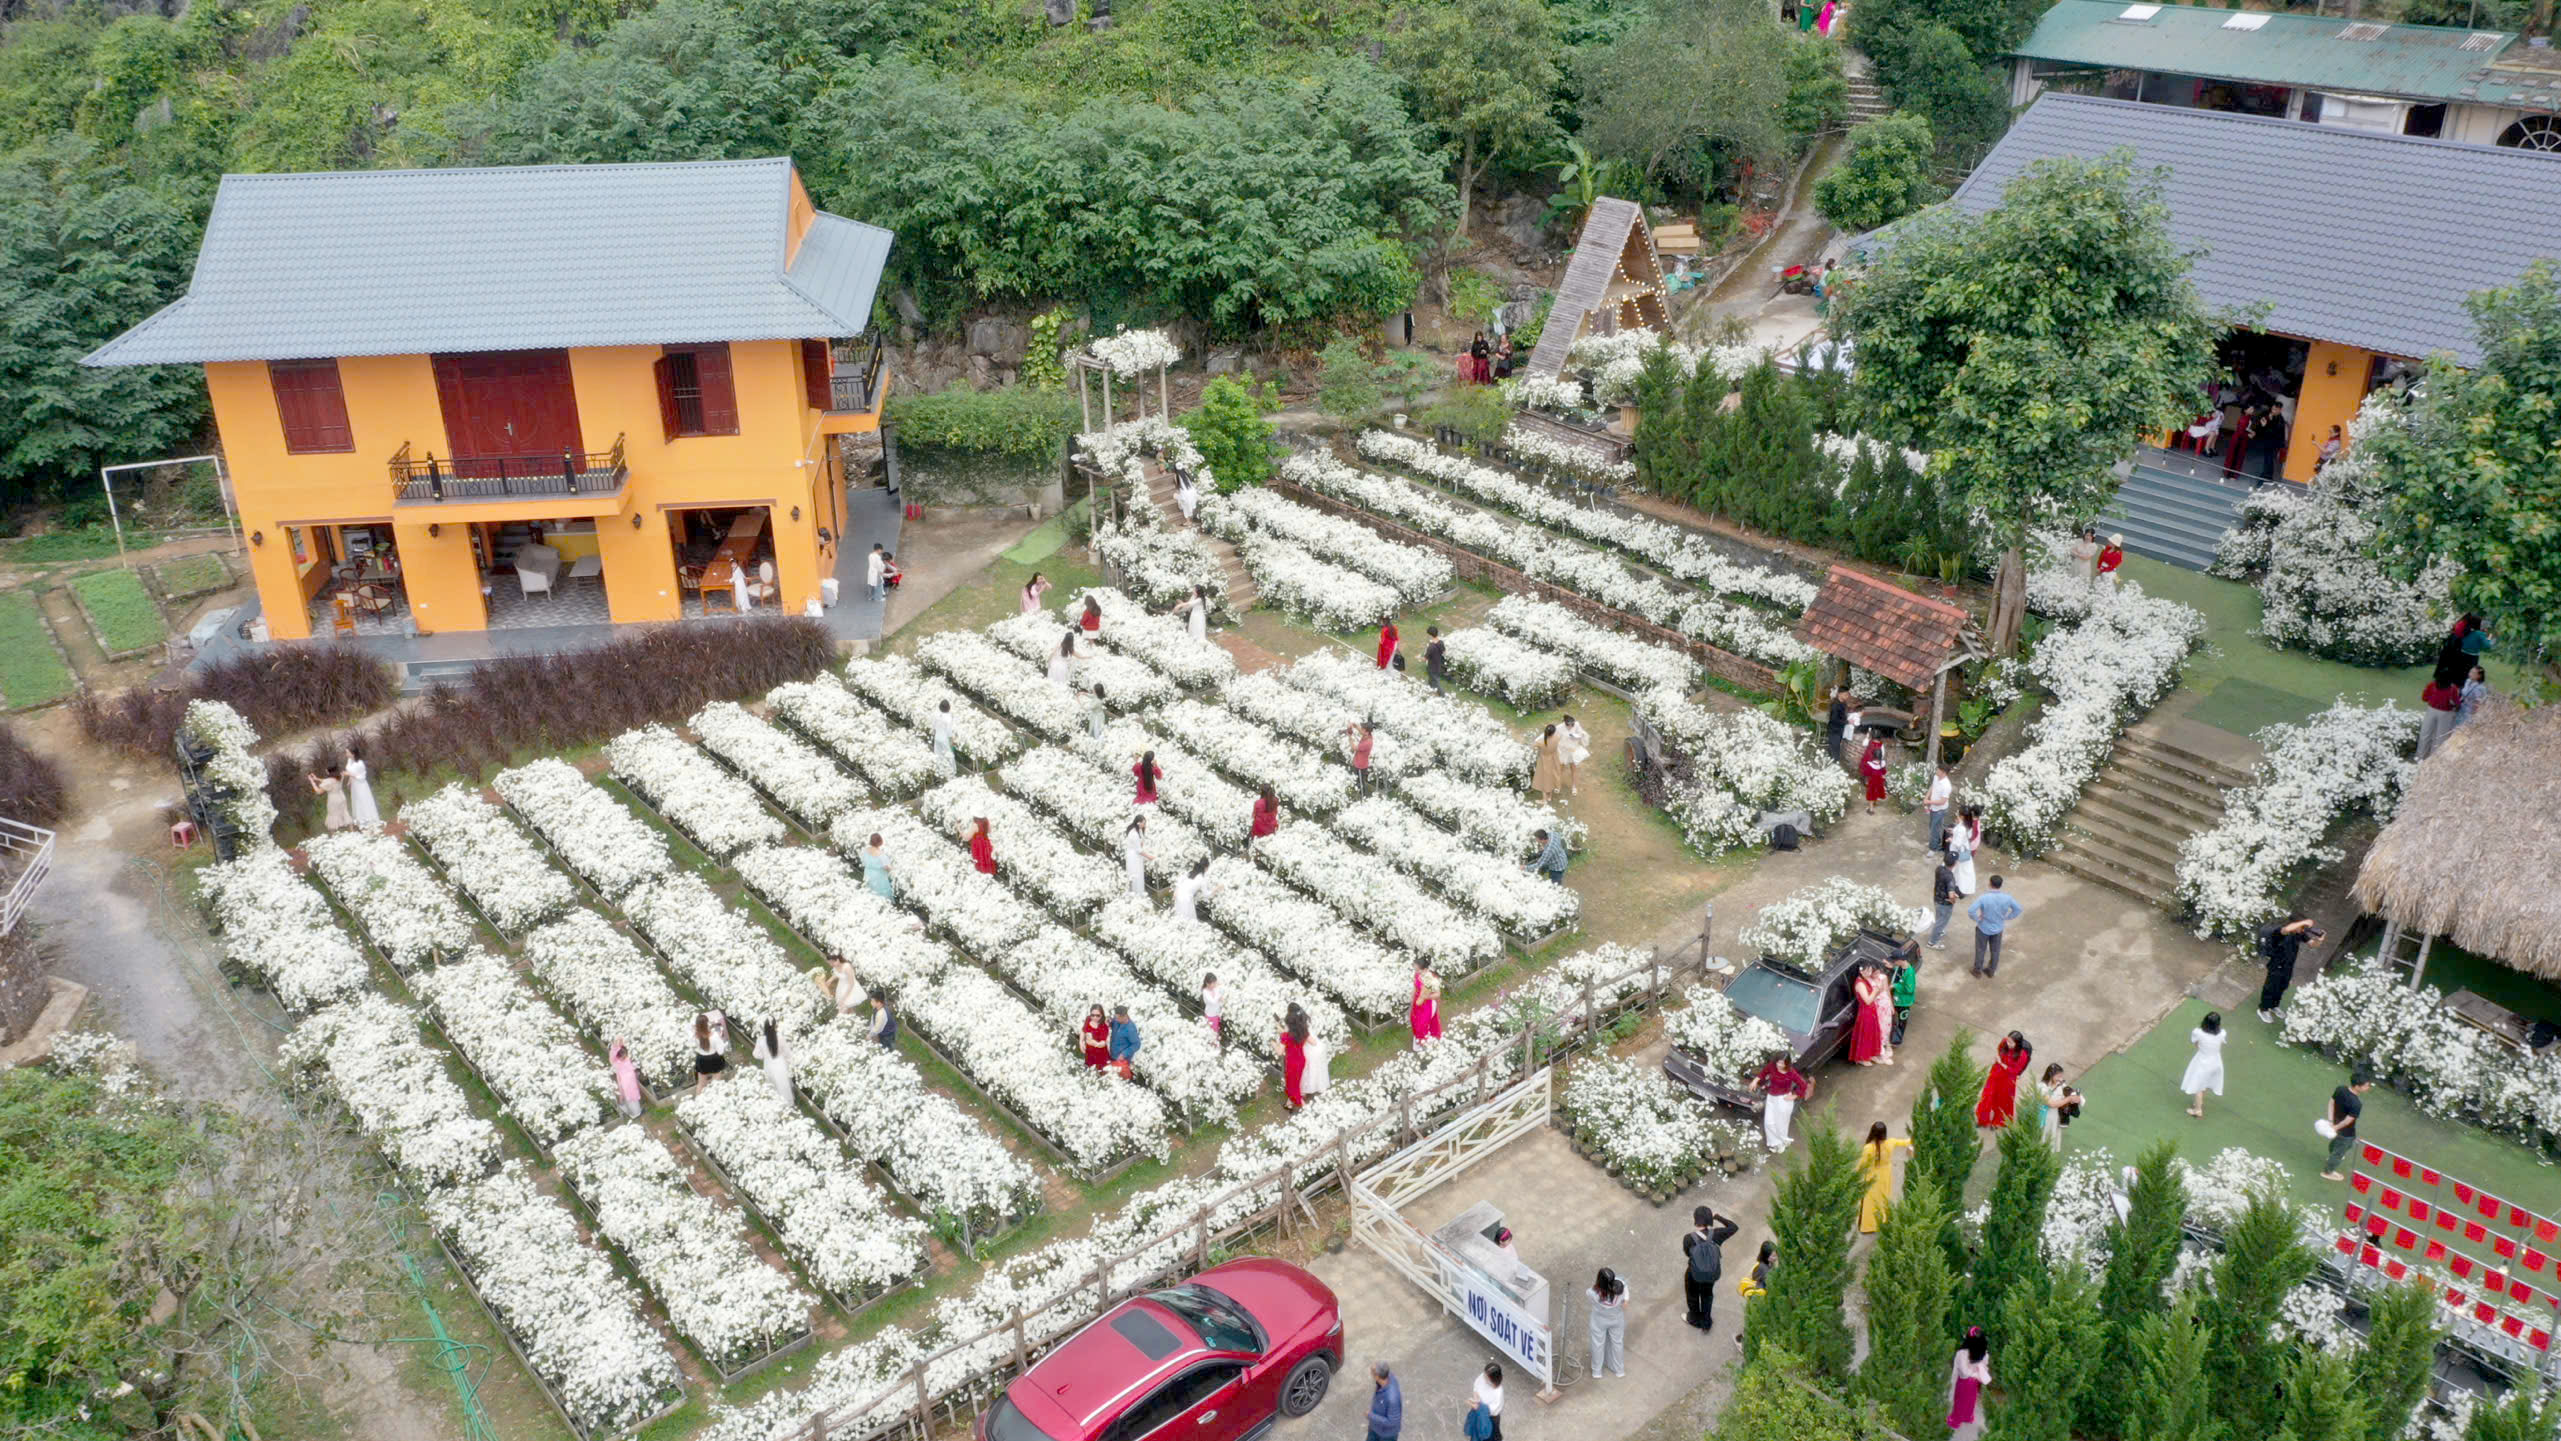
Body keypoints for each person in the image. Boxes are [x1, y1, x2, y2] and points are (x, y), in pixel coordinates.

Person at [1682, 1205, 1739, 1332]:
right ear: (1709, 1219)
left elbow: (1687, 1253)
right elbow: (1734, 1227)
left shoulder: (1688, 1238)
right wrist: (1717, 1216)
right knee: (1707, 1296)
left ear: (1696, 1219)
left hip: (1694, 1273)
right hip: (1711, 1273)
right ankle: (1706, 1323)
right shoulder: (1717, 1234)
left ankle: (1694, 1319)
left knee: (1692, 1295)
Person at [2256, 915, 2322, 1022]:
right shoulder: (2280, 932)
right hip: (2276, 965)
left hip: (2288, 965)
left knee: (2282, 986)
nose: (2303, 930)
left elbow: (2313, 944)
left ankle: (2274, 1006)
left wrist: (2319, 939)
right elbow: (2286, 929)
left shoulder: (2299, 933)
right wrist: (2304, 922)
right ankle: (2263, 1009)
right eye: (2301, 927)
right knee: (2271, 987)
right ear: (2294, 924)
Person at [1856, 1121, 1913, 1233]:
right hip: (1886, 1175)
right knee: (1883, 1198)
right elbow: (1905, 1142)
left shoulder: (1868, 1148)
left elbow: (1862, 1165)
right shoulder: (1891, 1143)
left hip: (1872, 1176)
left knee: (1870, 1201)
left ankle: (1869, 1226)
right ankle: (1883, 1221)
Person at [1752, 1050, 1812, 1151]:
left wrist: (1794, 1096)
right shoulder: (1772, 1066)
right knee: (1769, 1123)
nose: (1779, 1065)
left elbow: (1803, 1085)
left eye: (1782, 1063)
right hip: (1771, 1098)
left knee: (1780, 1124)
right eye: (1778, 1062)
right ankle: (1774, 1142)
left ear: (1787, 1063)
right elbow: (1763, 1073)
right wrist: (1755, 1081)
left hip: (1783, 1100)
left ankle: (1780, 1143)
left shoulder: (1791, 1072)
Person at [2320, 1068, 2373, 1180]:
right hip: (2346, 1132)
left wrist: (2331, 1122)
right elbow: (2348, 1120)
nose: (2368, 1087)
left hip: (2335, 1124)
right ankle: (2328, 1172)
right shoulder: (2356, 1104)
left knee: (2338, 1143)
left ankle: (2332, 1155)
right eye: (2366, 1086)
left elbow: (2331, 1103)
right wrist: (2336, 1127)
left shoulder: (2341, 1089)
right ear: (2357, 1086)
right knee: (2340, 1151)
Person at [1966, 876, 2021, 978]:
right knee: (1995, 951)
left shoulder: (1984, 898)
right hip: (1998, 929)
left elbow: (1971, 911)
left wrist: (1977, 919)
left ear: (1990, 884)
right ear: (2001, 885)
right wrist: (2007, 917)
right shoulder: (2007, 898)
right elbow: (2018, 909)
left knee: (1980, 950)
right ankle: (1991, 970)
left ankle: (1977, 971)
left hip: (1983, 928)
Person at [1976, 1032, 2031, 1127]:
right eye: (2008, 1041)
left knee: (2003, 1101)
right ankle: (1982, 1119)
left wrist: (2001, 1063)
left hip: (2008, 1079)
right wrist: (1998, 1058)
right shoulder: (2004, 1042)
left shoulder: (2022, 1055)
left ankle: (1999, 1121)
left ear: (2017, 1044)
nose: (2008, 1044)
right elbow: (1999, 1049)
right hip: (1996, 1073)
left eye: (2011, 1043)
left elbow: (2015, 1071)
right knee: (1987, 1096)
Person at [1947, 1328, 1992, 1441]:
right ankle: (1964, 1417)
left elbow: (1964, 1372)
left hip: (1966, 1382)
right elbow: (1983, 1367)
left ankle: (1958, 1419)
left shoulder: (1963, 1353)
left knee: (1964, 1400)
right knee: (1966, 1400)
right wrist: (1977, 1372)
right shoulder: (1982, 1353)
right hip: (1971, 1382)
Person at [2181, 1012, 2227, 1118]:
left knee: (2198, 1087)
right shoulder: (2222, 1033)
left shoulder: (2198, 1032)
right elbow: (2220, 1044)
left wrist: (2203, 1050)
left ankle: (2197, 1110)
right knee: (2204, 1083)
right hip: (2216, 1061)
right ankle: (2199, 1102)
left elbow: (2195, 1043)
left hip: (2202, 1061)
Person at [1849, 963, 1893, 1066]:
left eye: (1870, 970)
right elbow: (1867, 1000)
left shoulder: (1865, 980)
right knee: (1866, 1035)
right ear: (1861, 971)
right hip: (1866, 1012)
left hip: (1872, 1010)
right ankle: (1862, 1058)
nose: (1869, 973)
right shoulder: (1860, 984)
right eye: (1867, 971)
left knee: (1873, 1035)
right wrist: (1876, 990)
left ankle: (1872, 1055)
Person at [1587, 1268, 1628, 1379]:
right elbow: (1625, 1296)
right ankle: (1619, 1370)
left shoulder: (1592, 1293)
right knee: (1617, 1343)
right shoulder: (1621, 1286)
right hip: (1616, 1318)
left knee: (1597, 1344)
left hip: (1599, 1320)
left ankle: (1597, 1372)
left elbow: (1591, 1300)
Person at [2035, 1064, 2080, 1152]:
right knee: (2042, 1136)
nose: (2060, 1078)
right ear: (2050, 1075)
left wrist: (2074, 1099)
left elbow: (2066, 1096)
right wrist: (2069, 1099)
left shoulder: (2060, 1085)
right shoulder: (2041, 1087)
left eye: (2061, 1076)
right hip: (2044, 1118)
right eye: (2058, 1076)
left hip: (2055, 1117)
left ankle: (2048, 1152)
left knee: (2052, 1137)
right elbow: (2051, 1104)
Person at [2417, 676, 2463, 760]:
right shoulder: (2452, 688)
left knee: (2425, 734)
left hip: (2431, 710)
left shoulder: (2431, 685)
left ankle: (2420, 757)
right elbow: (2456, 703)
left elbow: (2424, 698)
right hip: (2446, 713)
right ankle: (2434, 759)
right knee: (2440, 737)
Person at [753, 1017, 793, 1104]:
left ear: (765, 1027)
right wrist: (788, 1060)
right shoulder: (780, 1037)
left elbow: (756, 1054)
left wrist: (765, 1056)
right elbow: (787, 1052)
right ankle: (788, 1102)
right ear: (775, 1026)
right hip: (780, 1063)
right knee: (783, 1084)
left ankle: (776, 1103)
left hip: (769, 1064)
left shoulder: (761, 1040)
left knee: (773, 1084)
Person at [343, 742, 381, 828]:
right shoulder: (350, 760)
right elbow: (351, 772)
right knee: (357, 801)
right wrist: (349, 781)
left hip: (360, 785)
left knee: (363, 801)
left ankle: (369, 820)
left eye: (347, 752)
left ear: (353, 754)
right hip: (354, 785)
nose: (346, 754)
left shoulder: (360, 764)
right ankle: (360, 820)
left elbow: (360, 776)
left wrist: (348, 775)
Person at [1889, 944, 1919, 1048]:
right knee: (1894, 1018)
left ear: (1900, 960)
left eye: (1894, 960)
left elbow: (1909, 990)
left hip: (1904, 1002)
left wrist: (1895, 986)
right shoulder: (1900, 966)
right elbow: (1897, 971)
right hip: (1897, 999)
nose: (1894, 962)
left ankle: (1897, 1040)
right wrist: (1892, 967)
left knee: (1902, 1021)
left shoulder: (1909, 973)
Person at [1281, 1005, 1310, 1108]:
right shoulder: (1303, 1031)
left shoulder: (1286, 1036)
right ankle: (1289, 1104)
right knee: (1295, 1083)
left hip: (1292, 1063)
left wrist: (1272, 1042)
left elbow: (1280, 1051)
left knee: (1292, 1087)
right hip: (1301, 1060)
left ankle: (1306, 1108)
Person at [1172, 857, 1217, 923]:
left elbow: (1180, 880)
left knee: (1180, 917)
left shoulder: (1191, 873)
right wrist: (1217, 889)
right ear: (1206, 868)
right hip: (1186, 899)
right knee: (1188, 920)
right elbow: (1206, 894)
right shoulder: (1202, 879)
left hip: (1179, 894)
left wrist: (1176, 891)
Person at [1929, 849, 1958, 950]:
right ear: (1955, 863)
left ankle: (1939, 932)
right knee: (1941, 922)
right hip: (1945, 904)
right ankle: (1932, 942)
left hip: (1936, 898)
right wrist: (1953, 900)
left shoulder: (1939, 868)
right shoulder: (1950, 877)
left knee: (1939, 918)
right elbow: (1951, 895)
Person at [1949, 805, 1981, 896]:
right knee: (1963, 870)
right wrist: (1954, 831)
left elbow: (1958, 843)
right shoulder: (1968, 824)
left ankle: (1962, 889)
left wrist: (1951, 840)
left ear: (1962, 816)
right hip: (1965, 851)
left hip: (1960, 852)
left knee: (1962, 870)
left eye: (1958, 813)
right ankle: (1961, 887)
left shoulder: (1963, 827)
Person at [691, 1011, 726, 1092]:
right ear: (707, 1024)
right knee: (716, 1082)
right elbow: (720, 1051)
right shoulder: (714, 1036)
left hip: (701, 1059)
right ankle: (714, 1096)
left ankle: (699, 1098)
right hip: (714, 1059)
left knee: (701, 1084)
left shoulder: (695, 1036)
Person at [609, 1038, 643, 1119]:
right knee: (630, 1098)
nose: (624, 1057)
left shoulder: (627, 1059)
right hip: (625, 1083)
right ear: (618, 1056)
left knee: (634, 1096)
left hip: (632, 1082)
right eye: (622, 1056)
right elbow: (612, 1055)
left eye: (625, 1055)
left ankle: (636, 1112)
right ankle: (635, 1113)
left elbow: (622, 1044)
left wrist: (619, 1042)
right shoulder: (616, 1063)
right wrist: (615, 1047)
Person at [1410, 961, 1443, 1045]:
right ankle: (1419, 1038)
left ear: (1425, 969)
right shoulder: (1417, 974)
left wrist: (1425, 997)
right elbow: (1415, 986)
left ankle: (1423, 1040)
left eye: (1418, 970)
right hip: (1417, 1002)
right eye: (1415, 970)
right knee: (1415, 1020)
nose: (1416, 972)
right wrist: (1412, 996)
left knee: (1422, 1023)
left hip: (1428, 1004)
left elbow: (1437, 994)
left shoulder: (1431, 979)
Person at [1558, 715, 1592, 799]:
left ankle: (1574, 787)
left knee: (1573, 769)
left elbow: (1582, 734)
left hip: (1573, 750)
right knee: (1560, 768)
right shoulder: (1559, 727)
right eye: (1568, 724)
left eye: (1572, 724)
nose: (1570, 726)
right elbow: (1555, 737)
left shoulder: (1577, 725)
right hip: (1564, 750)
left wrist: (1578, 736)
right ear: (1565, 723)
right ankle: (1557, 785)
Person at [1366, 1364, 1402, 1441]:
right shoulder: (1387, 1377)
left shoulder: (1392, 1398)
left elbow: (1392, 1422)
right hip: (1375, 1428)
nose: (1371, 1372)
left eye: (1372, 1372)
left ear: (1377, 1376)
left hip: (1387, 1435)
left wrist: (1371, 1416)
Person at [1471, 1364, 1505, 1441]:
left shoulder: (1498, 1393)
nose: (1483, 1377)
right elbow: (1476, 1386)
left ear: (1493, 1379)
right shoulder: (1484, 1376)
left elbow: (1494, 1411)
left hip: (1489, 1418)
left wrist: (1478, 1407)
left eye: (1486, 1377)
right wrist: (1476, 1399)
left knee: (1489, 1436)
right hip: (1479, 1411)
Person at [1923, 764, 1952, 855]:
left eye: (1938, 770)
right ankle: (1936, 842)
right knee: (1933, 826)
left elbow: (1943, 801)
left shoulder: (1947, 786)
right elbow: (1932, 787)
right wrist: (1926, 797)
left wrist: (1929, 802)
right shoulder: (1936, 777)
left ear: (1943, 772)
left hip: (1940, 810)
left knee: (1934, 828)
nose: (1936, 771)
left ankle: (1933, 848)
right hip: (1933, 807)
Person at [1106, 1005, 1141, 1079]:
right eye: (1115, 1017)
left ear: (1124, 1016)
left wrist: (1124, 1054)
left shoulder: (1130, 1029)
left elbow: (1137, 1044)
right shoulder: (1117, 1020)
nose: (1116, 1019)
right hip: (1113, 1055)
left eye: (1118, 1018)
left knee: (1122, 1077)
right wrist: (1110, 1022)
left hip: (1122, 1059)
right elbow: (1113, 1023)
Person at [1122, 815, 1153, 897]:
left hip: (1137, 855)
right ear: (1138, 823)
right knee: (1135, 873)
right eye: (1143, 823)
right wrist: (1149, 856)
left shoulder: (1139, 830)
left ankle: (1139, 892)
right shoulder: (1134, 834)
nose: (1144, 825)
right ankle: (1135, 893)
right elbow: (1138, 850)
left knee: (1139, 873)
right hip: (1133, 856)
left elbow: (1141, 844)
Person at [1532, 723, 1564, 801]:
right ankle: (1549, 796)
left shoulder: (1541, 742)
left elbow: (1533, 745)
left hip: (1544, 760)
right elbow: (1559, 735)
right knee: (1551, 777)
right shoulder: (1557, 738)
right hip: (1554, 758)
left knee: (1544, 779)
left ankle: (1544, 799)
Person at [1858, 735, 1888, 814]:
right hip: (1879, 782)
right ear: (1881, 756)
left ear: (1873, 756)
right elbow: (1884, 772)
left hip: (1872, 783)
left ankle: (1871, 809)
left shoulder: (1870, 765)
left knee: (1871, 795)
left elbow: (1866, 773)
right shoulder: (1882, 764)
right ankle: (1874, 803)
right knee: (1877, 792)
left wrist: (1865, 777)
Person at [861, 833, 896, 900]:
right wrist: (893, 869)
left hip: (868, 873)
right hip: (879, 876)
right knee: (880, 892)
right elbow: (886, 867)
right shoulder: (881, 854)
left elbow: (863, 861)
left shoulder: (865, 850)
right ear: (880, 841)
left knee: (870, 889)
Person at [1077, 1005, 1112, 1071]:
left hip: (1101, 1054)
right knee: (1087, 1068)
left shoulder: (1104, 1026)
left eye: (1097, 1015)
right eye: (1092, 1015)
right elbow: (1083, 1030)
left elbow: (1103, 1043)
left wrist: (1093, 1043)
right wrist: (1081, 1042)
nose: (1094, 1017)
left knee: (1101, 1070)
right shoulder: (1088, 1019)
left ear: (1101, 1015)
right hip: (1089, 1052)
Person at [1345, 720, 1376, 794]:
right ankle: (1359, 791)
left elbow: (1354, 748)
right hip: (1359, 763)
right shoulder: (1367, 735)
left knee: (1360, 782)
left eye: (1362, 729)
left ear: (1366, 732)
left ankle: (1362, 795)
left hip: (1360, 766)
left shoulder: (1367, 743)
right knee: (1358, 779)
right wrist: (1353, 725)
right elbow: (1360, 730)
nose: (1360, 730)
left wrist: (1350, 737)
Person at [930, 699, 956, 777]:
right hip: (945, 739)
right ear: (949, 708)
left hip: (937, 737)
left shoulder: (936, 714)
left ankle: (939, 771)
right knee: (949, 755)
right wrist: (951, 740)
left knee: (938, 754)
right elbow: (949, 731)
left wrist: (934, 731)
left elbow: (933, 725)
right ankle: (952, 772)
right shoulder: (948, 717)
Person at [1824, 688, 1851, 763]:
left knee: (1834, 746)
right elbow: (1834, 719)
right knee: (1835, 747)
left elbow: (1841, 715)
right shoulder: (1835, 705)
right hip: (1834, 729)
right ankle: (1835, 763)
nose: (1847, 696)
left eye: (1848, 694)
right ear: (1839, 694)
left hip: (1839, 729)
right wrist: (1847, 721)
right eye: (1845, 694)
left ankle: (1830, 760)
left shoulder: (1843, 703)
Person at [1250, 785, 1279, 850]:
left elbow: (1254, 815)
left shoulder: (1258, 803)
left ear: (1262, 792)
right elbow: (1275, 812)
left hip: (1259, 829)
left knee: (1255, 845)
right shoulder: (1275, 800)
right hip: (1271, 827)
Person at [1200, 973, 1223, 1039]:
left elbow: (1219, 990)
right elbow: (1213, 1001)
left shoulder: (1214, 988)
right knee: (1213, 1032)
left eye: (1215, 983)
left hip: (1216, 1013)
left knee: (1216, 1030)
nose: (1215, 985)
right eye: (1213, 983)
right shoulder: (1205, 992)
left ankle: (1215, 1041)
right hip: (1211, 1015)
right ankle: (1214, 1043)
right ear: (1207, 983)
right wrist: (1219, 996)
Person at [1425, 626, 1448, 693]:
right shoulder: (1441, 642)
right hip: (1438, 663)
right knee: (1431, 677)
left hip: (1432, 665)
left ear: (1430, 635)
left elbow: (1425, 658)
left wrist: (1418, 657)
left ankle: (1442, 694)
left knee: (1435, 680)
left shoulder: (1431, 647)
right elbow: (1444, 652)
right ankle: (1430, 687)